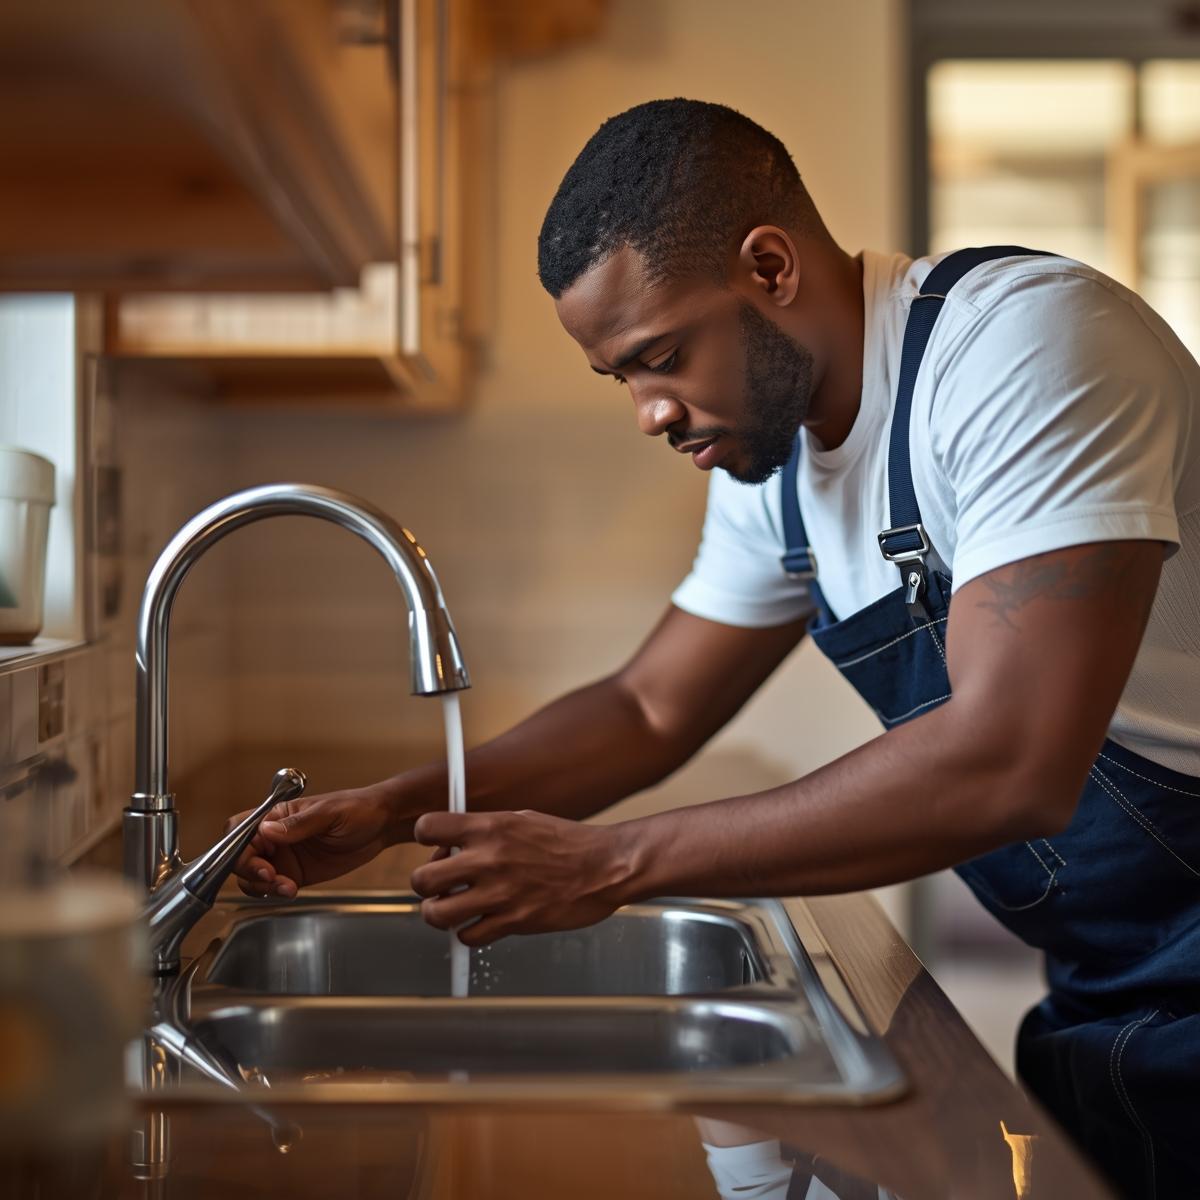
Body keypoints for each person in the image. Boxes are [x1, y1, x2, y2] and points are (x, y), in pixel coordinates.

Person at [230, 100, 1200, 1197]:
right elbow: (649, 708)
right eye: (622, 379)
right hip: (1113, 990)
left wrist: (611, 862)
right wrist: (393, 808)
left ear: (771, 267)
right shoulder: (772, 462)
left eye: (660, 356)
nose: (650, 414)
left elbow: (1009, 760)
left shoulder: (1023, 347)